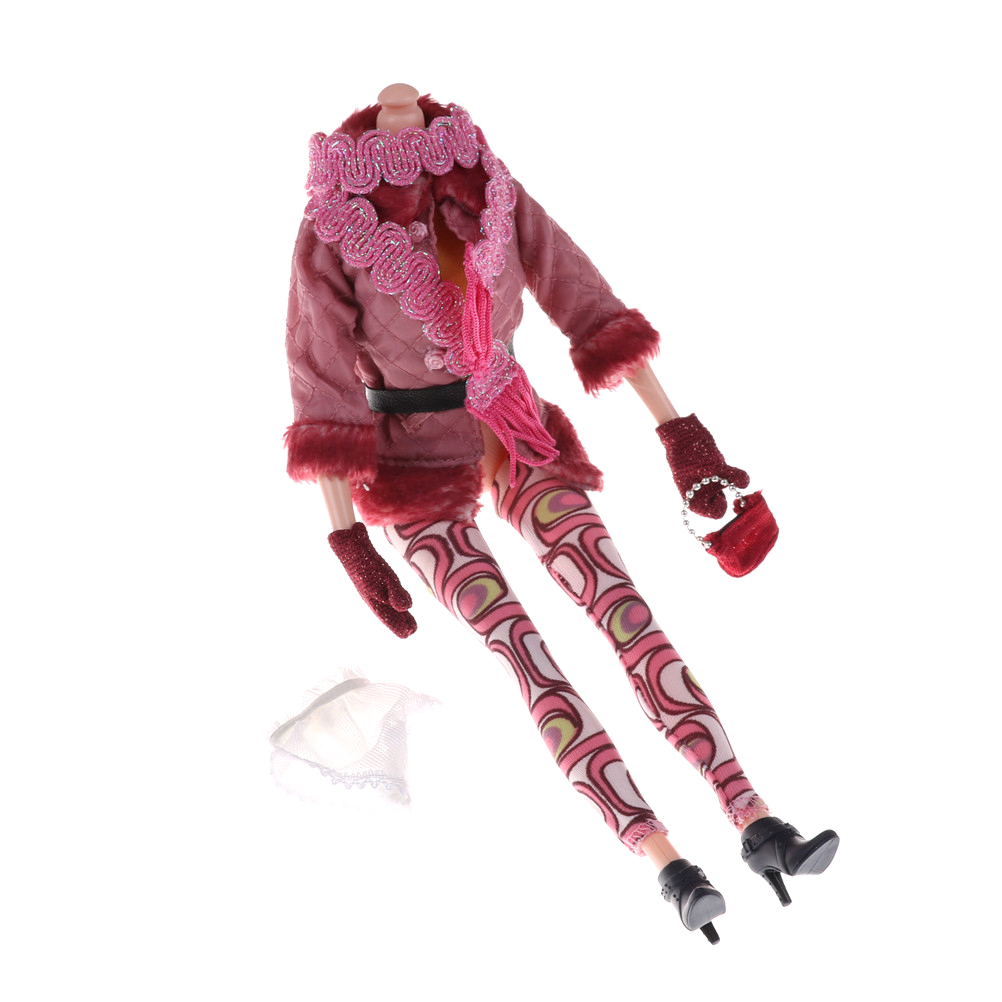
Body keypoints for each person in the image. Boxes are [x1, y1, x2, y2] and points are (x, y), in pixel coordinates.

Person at [284, 84, 838, 943]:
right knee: (526, 652)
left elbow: (585, 301)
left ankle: (756, 817)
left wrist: (682, 434)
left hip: (516, 429)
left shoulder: (486, 185)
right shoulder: (334, 223)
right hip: (411, 469)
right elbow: (320, 382)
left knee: (625, 612)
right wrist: (346, 535)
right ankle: (664, 861)